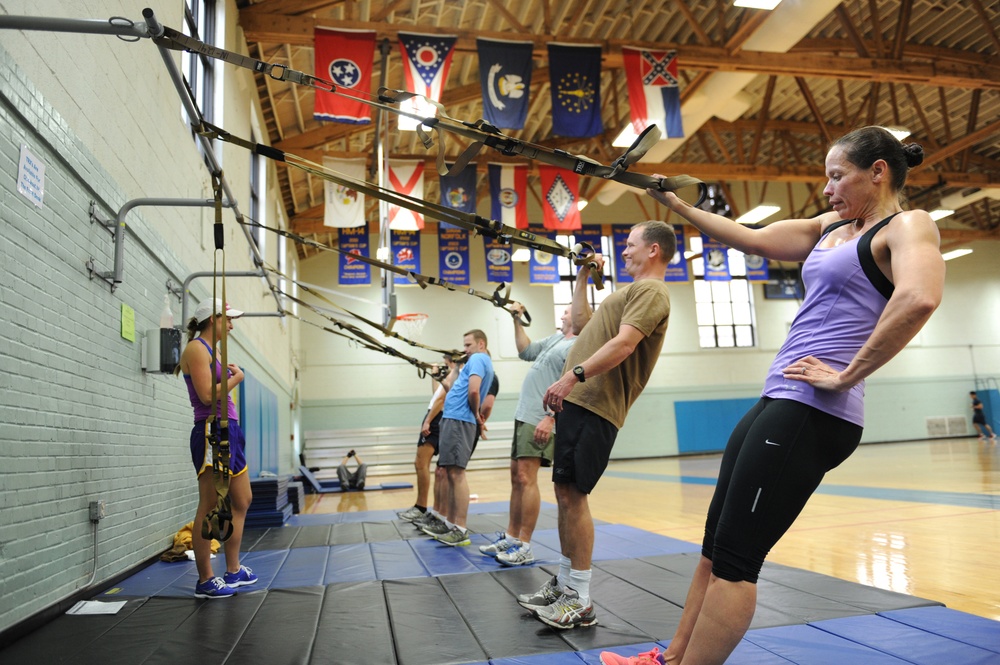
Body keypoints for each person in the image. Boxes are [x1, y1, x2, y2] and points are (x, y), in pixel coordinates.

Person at [609, 126, 945, 665]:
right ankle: (670, 658)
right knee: (713, 549)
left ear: (878, 171)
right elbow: (751, 237)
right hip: (780, 397)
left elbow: (920, 297)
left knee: (736, 563)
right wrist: (673, 203)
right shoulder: (830, 225)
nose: (828, 188)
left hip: (816, 409)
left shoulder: (907, 225)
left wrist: (846, 374)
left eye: (838, 176)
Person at [517, 220, 676, 630]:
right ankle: (567, 582)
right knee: (565, 494)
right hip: (579, 401)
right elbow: (583, 323)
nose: (624, 251)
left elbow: (624, 344)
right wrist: (584, 273)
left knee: (574, 496)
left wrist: (574, 376)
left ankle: (580, 600)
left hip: (596, 402)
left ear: (654, 249)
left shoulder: (653, 290)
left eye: (630, 243)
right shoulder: (628, 292)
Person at [480, 304, 577, 567]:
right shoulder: (556, 340)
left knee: (526, 477)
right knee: (516, 477)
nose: (562, 314)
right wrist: (516, 320)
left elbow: (576, 385)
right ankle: (511, 537)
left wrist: (551, 416)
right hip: (525, 413)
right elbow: (526, 351)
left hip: (542, 416)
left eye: (568, 311)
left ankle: (524, 545)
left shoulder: (579, 345)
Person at [176, 298, 258, 599]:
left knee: (243, 499)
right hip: (212, 429)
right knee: (210, 505)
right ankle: (205, 579)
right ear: (214, 319)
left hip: (230, 429)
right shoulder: (197, 349)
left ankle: (233, 570)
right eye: (229, 319)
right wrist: (237, 378)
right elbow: (207, 396)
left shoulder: (216, 351)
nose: (233, 325)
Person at [424, 329, 495, 547]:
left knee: (456, 474)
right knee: (450, 473)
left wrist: (475, 414)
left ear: (481, 344)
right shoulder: (471, 362)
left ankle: (460, 529)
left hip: (459, 419)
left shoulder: (480, 359)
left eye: (468, 345)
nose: (465, 350)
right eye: (464, 345)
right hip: (453, 417)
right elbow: (453, 388)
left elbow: (474, 392)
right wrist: (454, 368)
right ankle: (452, 524)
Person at [398, 355, 453, 522]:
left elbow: (441, 400)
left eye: (446, 362)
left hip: (435, 418)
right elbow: (437, 395)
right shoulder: (449, 378)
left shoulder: (455, 375)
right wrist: (434, 374)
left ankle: (421, 507)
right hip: (436, 417)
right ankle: (432, 510)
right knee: (432, 467)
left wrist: (428, 421)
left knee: (421, 463)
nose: (444, 364)